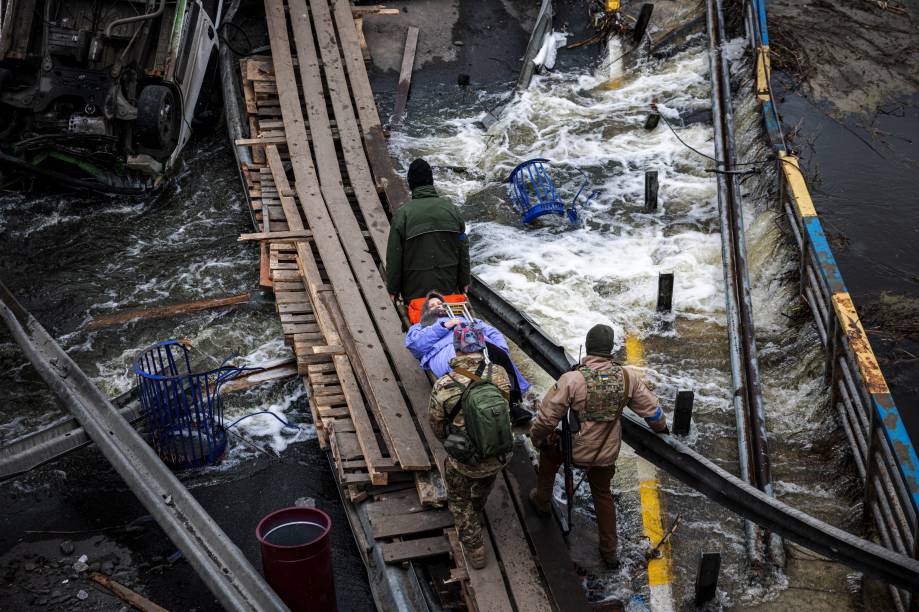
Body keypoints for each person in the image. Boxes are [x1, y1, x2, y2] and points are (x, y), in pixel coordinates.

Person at [528, 324, 669, 568]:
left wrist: (537, 438)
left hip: (574, 449)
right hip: (606, 453)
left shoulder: (573, 379)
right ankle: (609, 550)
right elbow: (653, 413)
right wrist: (663, 431)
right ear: (610, 349)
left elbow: (547, 418)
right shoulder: (627, 378)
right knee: (602, 495)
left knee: (549, 452)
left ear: (589, 346)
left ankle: (541, 500)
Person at [429, 322, 513, 570]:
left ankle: (474, 546)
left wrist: (452, 439)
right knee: (483, 485)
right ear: (482, 346)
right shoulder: (499, 373)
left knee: (458, 499)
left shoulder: (444, 384)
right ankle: (477, 510)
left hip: (466, 461)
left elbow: (436, 424)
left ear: (456, 350)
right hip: (499, 454)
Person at [407, 291, 533, 425]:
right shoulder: (420, 327)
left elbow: (491, 331)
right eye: (432, 305)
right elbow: (416, 347)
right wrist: (443, 326)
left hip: (478, 343)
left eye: (440, 303)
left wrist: (501, 346)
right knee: (472, 368)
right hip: (445, 351)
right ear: (426, 312)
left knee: (500, 356)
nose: (438, 306)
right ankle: (481, 407)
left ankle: (513, 403)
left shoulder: (464, 317)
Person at [386, 158, 470, 304]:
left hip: (415, 291)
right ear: (431, 181)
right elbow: (463, 249)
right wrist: (464, 281)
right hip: (447, 287)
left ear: (410, 183)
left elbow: (394, 256)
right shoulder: (452, 210)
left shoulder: (403, 214)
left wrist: (392, 289)